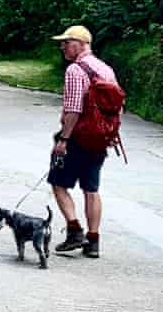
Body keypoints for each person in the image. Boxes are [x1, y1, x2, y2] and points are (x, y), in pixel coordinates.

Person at [48, 25, 118, 258]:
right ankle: (93, 241)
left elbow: (74, 110)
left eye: (66, 42)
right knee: (91, 188)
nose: (62, 46)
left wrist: (64, 139)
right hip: (101, 138)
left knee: (58, 183)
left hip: (78, 137)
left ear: (80, 43)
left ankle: (74, 231)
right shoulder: (105, 69)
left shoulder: (76, 70)